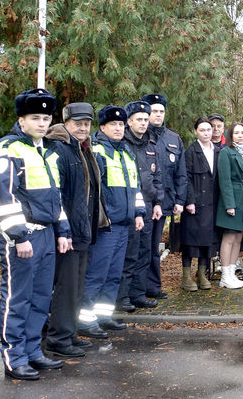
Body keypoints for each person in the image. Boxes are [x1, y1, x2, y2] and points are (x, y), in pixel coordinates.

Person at [0, 88, 71, 380]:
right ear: (21, 120)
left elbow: (55, 198)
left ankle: (33, 351)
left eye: (46, 118)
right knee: (18, 299)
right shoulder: (7, 150)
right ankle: (14, 357)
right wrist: (19, 236)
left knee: (39, 298)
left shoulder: (46, 151)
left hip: (47, 235)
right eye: (35, 117)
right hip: (22, 238)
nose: (42, 123)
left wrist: (63, 231)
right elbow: (4, 198)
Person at [78, 106, 146, 340]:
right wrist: (103, 218)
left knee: (114, 274)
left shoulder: (126, 151)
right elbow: (96, 191)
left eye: (120, 125)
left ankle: (103, 316)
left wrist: (139, 213)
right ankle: (85, 321)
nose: (118, 128)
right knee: (97, 273)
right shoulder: (97, 151)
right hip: (106, 225)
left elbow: (136, 187)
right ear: (103, 127)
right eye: (113, 125)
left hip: (124, 223)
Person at [45, 102, 101, 358]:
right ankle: (58, 338)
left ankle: (69, 333)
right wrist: (63, 231)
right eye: (78, 123)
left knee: (76, 289)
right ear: (66, 123)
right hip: (68, 234)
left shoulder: (82, 149)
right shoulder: (61, 150)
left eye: (87, 124)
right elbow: (58, 196)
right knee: (66, 289)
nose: (83, 127)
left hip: (82, 232)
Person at [117, 101, 164, 312]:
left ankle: (138, 293)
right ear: (129, 121)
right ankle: (123, 297)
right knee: (129, 253)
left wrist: (157, 203)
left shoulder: (150, 144)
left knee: (145, 251)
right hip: (128, 207)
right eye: (139, 119)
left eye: (146, 119)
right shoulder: (122, 144)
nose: (144, 123)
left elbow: (156, 177)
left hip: (147, 205)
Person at [142, 93, 187, 299]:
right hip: (142, 202)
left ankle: (152, 286)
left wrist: (180, 200)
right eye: (153, 111)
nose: (158, 115)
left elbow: (180, 173)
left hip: (165, 202)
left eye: (161, 111)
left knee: (154, 246)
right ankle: (139, 288)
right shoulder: (139, 136)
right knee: (143, 247)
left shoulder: (173, 138)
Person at [181, 118, 220, 291]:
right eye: (202, 130)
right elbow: (185, 178)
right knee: (191, 241)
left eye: (209, 130)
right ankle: (186, 276)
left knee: (208, 241)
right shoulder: (190, 152)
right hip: (195, 203)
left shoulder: (218, 151)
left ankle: (202, 274)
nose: (206, 133)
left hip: (212, 204)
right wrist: (189, 200)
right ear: (196, 131)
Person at [216, 123, 243, 288]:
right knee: (229, 237)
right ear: (231, 135)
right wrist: (229, 204)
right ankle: (224, 275)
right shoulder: (226, 152)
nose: (240, 135)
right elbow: (224, 180)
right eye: (236, 132)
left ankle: (232, 272)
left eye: (242, 132)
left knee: (238, 237)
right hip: (232, 200)